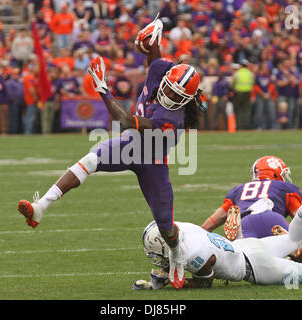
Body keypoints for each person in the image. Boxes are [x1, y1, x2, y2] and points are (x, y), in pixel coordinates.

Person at [17, 17, 206, 290]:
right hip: (130, 144)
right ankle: (40, 208)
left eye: (178, 96)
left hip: (152, 160)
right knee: (91, 159)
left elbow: (128, 121)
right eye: (170, 90)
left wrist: (103, 90)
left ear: (186, 100)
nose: (170, 96)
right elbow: (151, 52)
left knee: (166, 226)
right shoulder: (159, 71)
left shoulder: (172, 117)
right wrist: (153, 34)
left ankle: (176, 256)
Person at [133, 209, 302, 290]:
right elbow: (176, 250)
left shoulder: (194, 255)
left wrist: (172, 281)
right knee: (293, 239)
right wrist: (164, 274)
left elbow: (205, 282)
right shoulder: (183, 228)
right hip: (249, 245)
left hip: (256, 267)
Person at [201, 156, 302, 243]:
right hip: (274, 219)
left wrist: (200, 232)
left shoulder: (239, 189)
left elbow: (212, 222)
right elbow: (298, 217)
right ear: (276, 173)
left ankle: (238, 237)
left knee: (247, 257)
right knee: (293, 248)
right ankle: (292, 246)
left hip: (246, 222)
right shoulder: (285, 187)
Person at [232, 59, 254, 130]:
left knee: (237, 110)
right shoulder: (250, 73)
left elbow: (233, 83)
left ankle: (238, 126)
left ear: (241, 65)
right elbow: (252, 83)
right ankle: (245, 126)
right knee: (246, 110)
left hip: (239, 93)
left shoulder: (237, 73)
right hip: (248, 93)